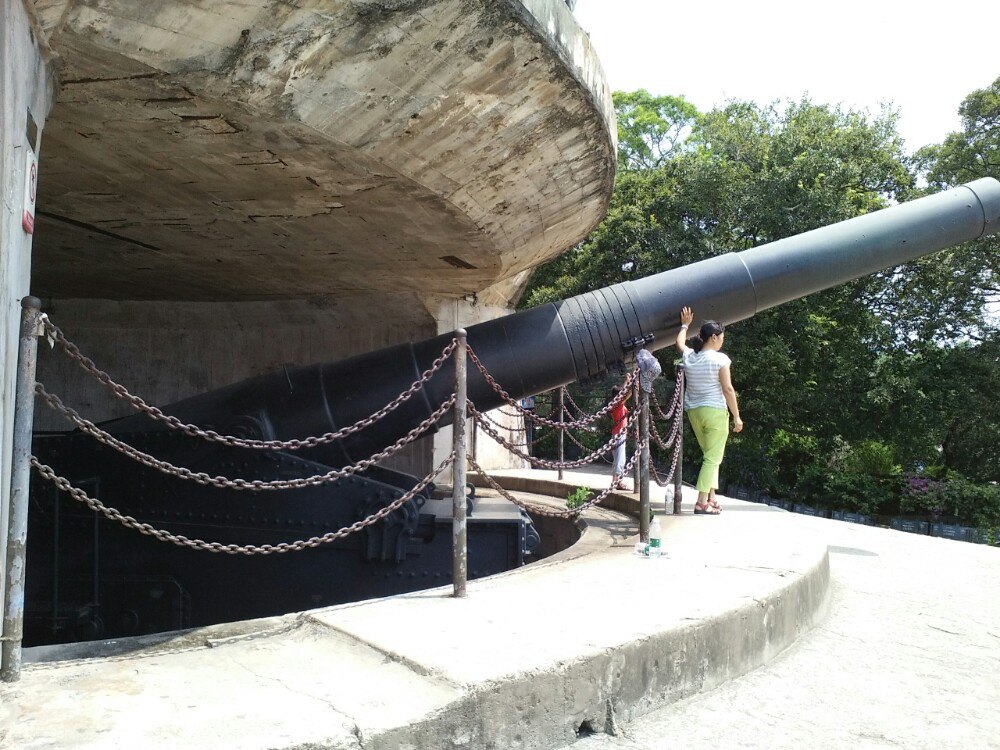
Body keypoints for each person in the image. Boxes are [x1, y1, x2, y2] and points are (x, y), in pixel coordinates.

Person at [674, 306, 743, 514]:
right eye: (721, 337)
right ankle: (701, 502)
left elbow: (679, 343)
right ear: (714, 337)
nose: (723, 340)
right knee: (713, 457)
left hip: (694, 411)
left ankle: (711, 497)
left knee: (710, 455)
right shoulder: (720, 359)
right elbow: (728, 389)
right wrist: (737, 416)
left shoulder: (690, 357)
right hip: (714, 411)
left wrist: (684, 324)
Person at [610, 383, 631, 491]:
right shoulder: (617, 404)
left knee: (618, 459)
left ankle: (616, 482)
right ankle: (616, 483)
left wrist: (627, 381)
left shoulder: (617, 404)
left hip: (618, 434)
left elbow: (623, 392)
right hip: (619, 434)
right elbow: (626, 394)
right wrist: (632, 387)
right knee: (620, 459)